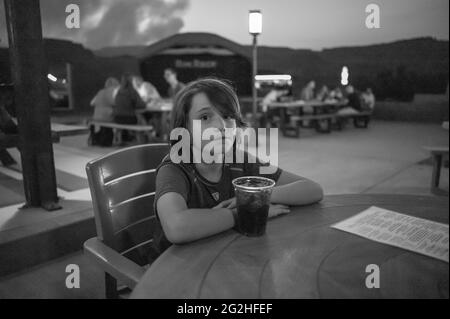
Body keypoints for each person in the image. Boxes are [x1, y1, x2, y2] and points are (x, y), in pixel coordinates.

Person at [152, 78, 324, 254]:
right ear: (184, 127)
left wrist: (259, 197)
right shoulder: (175, 168)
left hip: (224, 255)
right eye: (205, 117)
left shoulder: (240, 160)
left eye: (227, 116)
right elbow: (176, 228)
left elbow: (313, 190)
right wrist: (247, 211)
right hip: (175, 268)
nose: (221, 126)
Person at [89, 77, 119, 146]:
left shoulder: (101, 91)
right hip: (107, 116)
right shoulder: (113, 91)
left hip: (96, 116)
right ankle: (121, 138)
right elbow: (115, 103)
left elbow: (92, 103)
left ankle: (99, 139)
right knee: (121, 119)